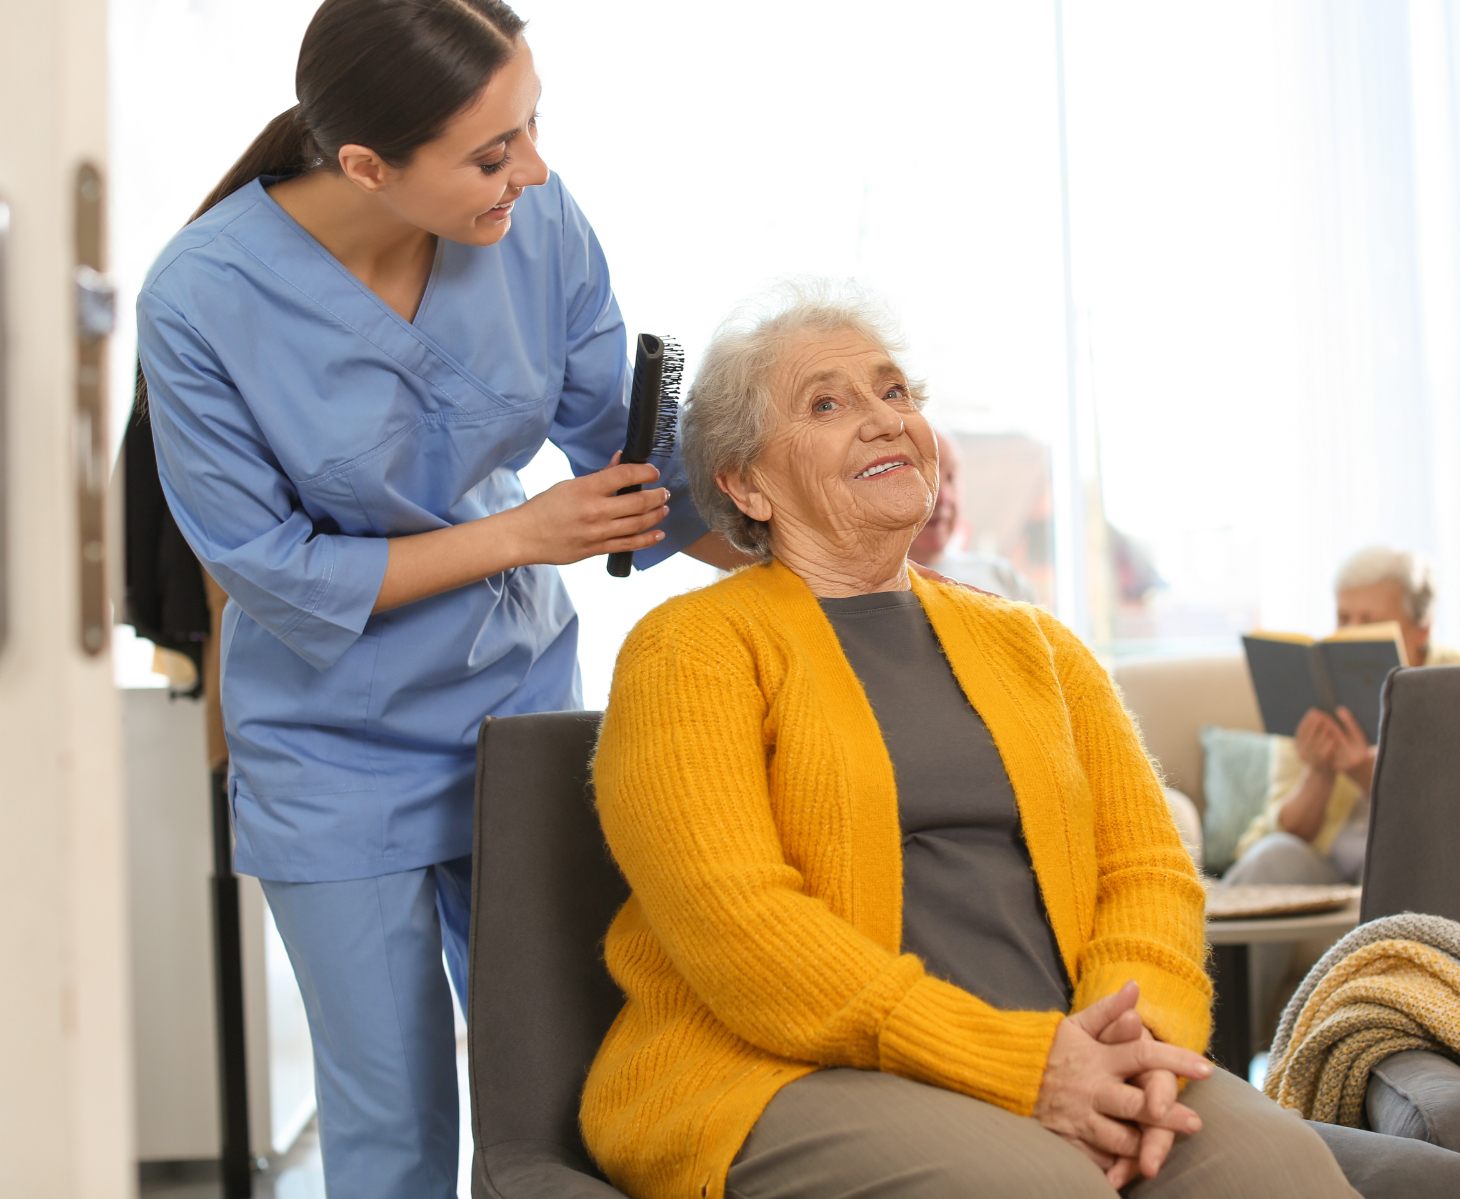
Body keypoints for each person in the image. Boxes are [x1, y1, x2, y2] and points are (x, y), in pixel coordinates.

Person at [135, 3, 743, 1193]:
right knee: (392, 1124)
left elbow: (629, 467)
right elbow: (264, 562)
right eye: (491, 153)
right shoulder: (200, 300)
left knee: (573, 1085)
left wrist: (818, 542)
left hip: (514, 710)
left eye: (530, 128)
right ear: (368, 166)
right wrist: (520, 532)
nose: (533, 170)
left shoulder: (535, 221)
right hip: (327, 744)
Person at [581, 284, 1362, 1199]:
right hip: (780, 1074)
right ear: (745, 482)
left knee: (1284, 1171)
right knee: (1042, 1189)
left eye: (895, 392)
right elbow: (740, 925)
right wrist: (1016, 1064)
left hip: (1072, 1044)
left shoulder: (1039, 645)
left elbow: (1147, 870)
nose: (883, 421)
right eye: (827, 403)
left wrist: (1136, 1045)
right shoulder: (691, 651)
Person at [1226, 547, 1458, 1035]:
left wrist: (1369, 772)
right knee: (1274, 857)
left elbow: (1448, 823)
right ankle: (1211, 1050)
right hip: (1325, 873)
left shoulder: (1448, 684)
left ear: (1421, 630)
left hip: (1419, 872)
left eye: (1368, 621)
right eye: (1343, 616)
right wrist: (1320, 772)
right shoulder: (1315, 687)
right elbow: (1287, 828)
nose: (1349, 632)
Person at [907, 427, 1036, 601]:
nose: (943, 497)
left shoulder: (1001, 577)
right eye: (924, 478)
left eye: (951, 477)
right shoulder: (873, 591)